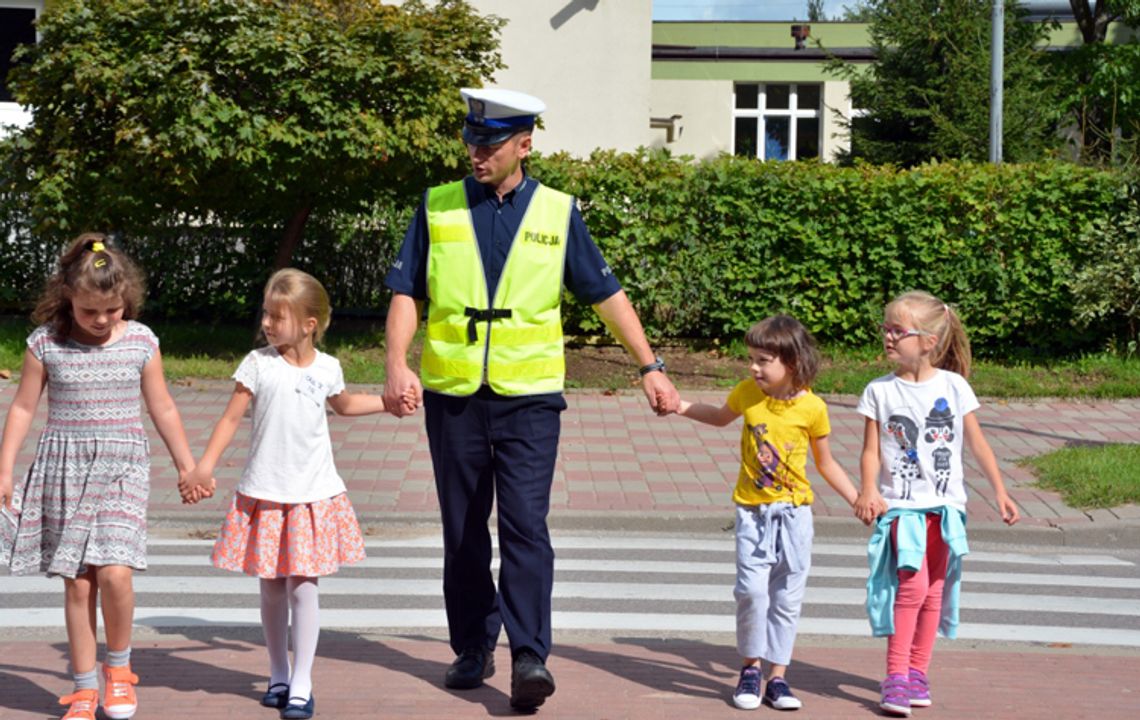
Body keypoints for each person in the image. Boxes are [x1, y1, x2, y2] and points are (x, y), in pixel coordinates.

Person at [382, 87, 680, 711]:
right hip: (455, 395)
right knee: (463, 532)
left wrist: (649, 366)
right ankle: (471, 646)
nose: (476, 153)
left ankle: (529, 656)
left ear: (524, 145)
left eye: (489, 144)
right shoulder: (436, 206)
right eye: (470, 142)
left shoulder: (557, 211)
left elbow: (605, 292)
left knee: (525, 527)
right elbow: (407, 291)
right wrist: (395, 363)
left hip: (530, 399)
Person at [179, 268, 413, 720]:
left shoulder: (328, 368)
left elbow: (343, 406)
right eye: (266, 314)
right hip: (266, 491)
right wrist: (204, 464)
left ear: (309, 324)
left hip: (312, 494)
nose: (267, 323)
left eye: (277, 317)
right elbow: (230, 419)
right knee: (271, 587)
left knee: (304, 585)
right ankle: (277, 671)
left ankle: (303, 680)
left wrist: (387, 403)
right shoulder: (258, 364)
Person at [0, 233, 196, 720]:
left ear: (125, 298)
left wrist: (186, 464)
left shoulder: (141, 341)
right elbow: (24, 408)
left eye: (112, 309)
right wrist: (4, 469)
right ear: (69, 296)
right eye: (91, 311)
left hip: (122, 468)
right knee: (79, 583)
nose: (103, 320)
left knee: (115, 571)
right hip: (64, 467)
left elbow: (163, 406)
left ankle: (120, 669)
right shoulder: (45, 343)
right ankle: (84, 688)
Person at [676, 314, 860, 712]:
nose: (753, 368)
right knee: (752, 592)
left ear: (790, 363)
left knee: (786, 596)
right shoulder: (747, 393)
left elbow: (826, 463)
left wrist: (857, 498)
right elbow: (721, 417)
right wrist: (681, 405)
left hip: (795, 516)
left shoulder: (813, 407)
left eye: (762, 360)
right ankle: (749, 668)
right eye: (751, 359)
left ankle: (777, 677)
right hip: (752, 513)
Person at [853, 290, 1019, 717]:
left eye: (897, 331)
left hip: (946, 509)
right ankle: (895, 677)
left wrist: (1000, 491)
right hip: (901, 510)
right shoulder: (879, 391)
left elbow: (978, 444)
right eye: (884, 329)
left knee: (934, 591)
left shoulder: (954, 386)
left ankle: (917, 671)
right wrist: (868, 489)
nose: (888, 337)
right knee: (909, 588)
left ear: (928, 341)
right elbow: (871, 450)